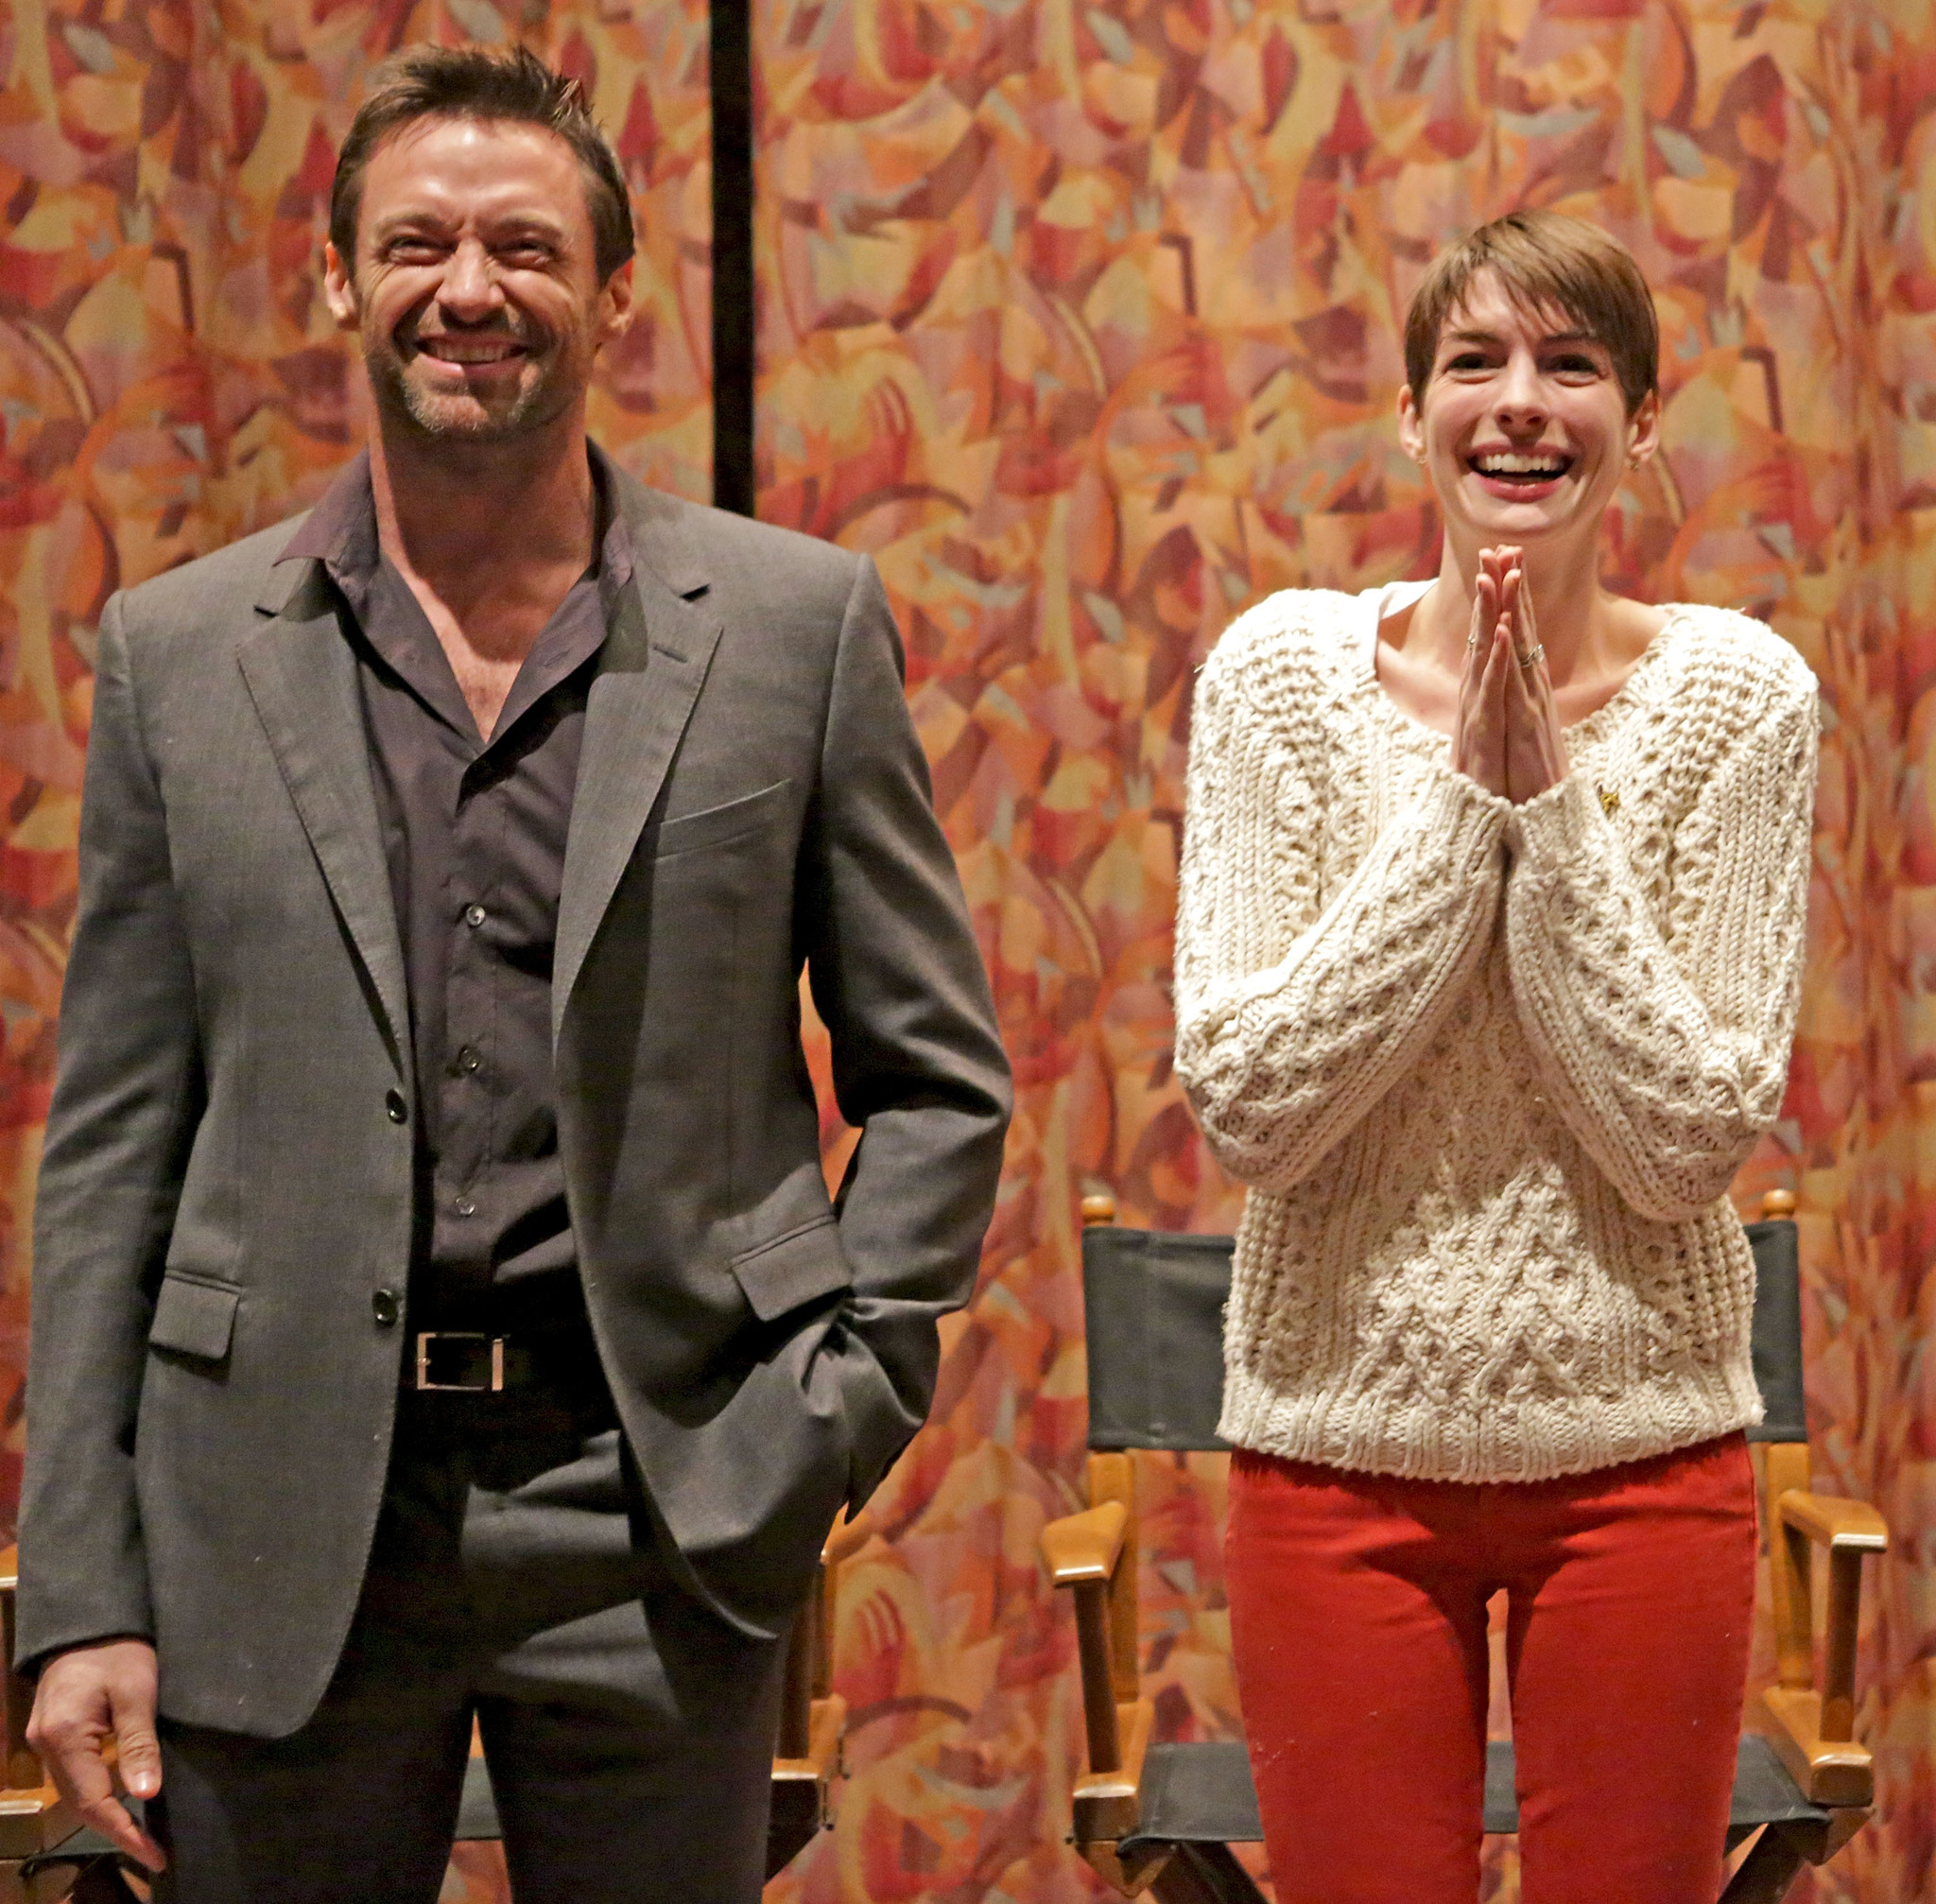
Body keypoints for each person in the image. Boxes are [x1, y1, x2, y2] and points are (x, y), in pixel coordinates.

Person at [15, 44, 1011, 1904]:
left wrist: (836, 1402)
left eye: (525, 248)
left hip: (656, 1501)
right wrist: (80, 1583)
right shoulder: (178, 655)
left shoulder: (795, 630)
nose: (467, 289)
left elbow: (938, 1073)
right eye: (416, 243)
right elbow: (112, 1154)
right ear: (339, 280)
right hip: (274, 1511)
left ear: (613, 296)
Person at [1173, 210, 1817, 1903]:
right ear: (1412, 417)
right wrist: (1467, 811)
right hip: (1334, 1447)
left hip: (1646, 1452)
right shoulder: (1278, 680)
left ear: (1644, 420)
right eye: (1476, 363)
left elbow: (1688, 1140)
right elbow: (1252, 1105)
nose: (1520, 405)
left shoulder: (1742, 701)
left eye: (1572, 366)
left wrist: (1553, 816)